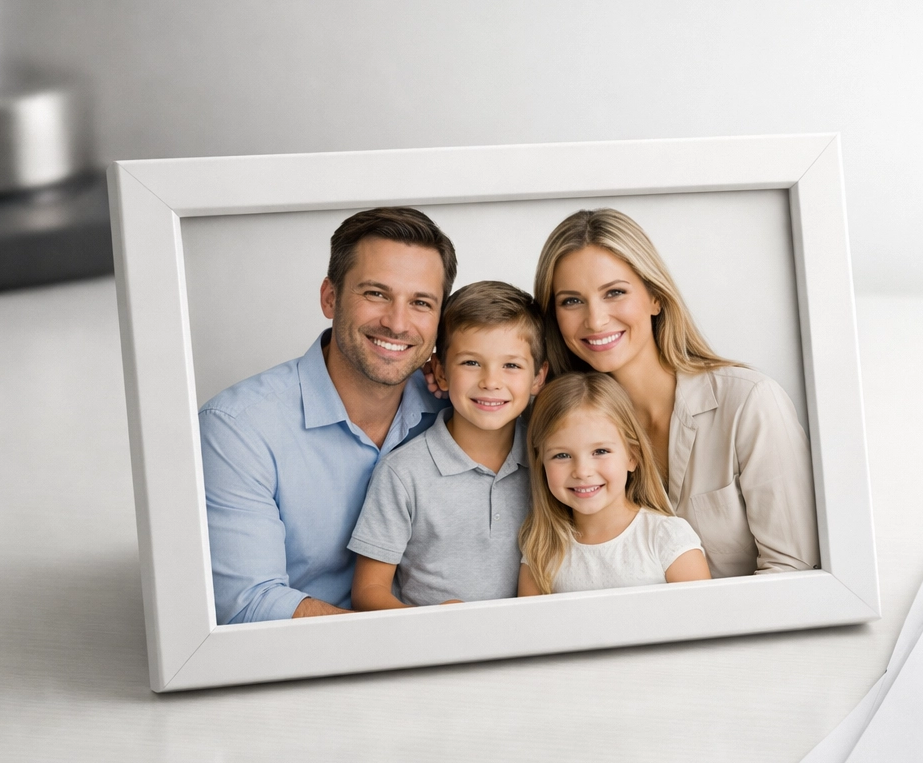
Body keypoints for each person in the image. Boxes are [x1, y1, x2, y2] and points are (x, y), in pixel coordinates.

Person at [199, 207, 455, 624]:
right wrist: (414, 642)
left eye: (421, 303)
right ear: (330, 298)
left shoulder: (456, 407)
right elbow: (249, 604)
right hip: (305, 669)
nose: (397, 322)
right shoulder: (236, 429)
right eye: (376, 293)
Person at [532, 208, 819, 578]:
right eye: (571, 300)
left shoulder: (749, 402)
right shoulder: (557, 426)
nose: (596, 319)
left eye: (615, 292)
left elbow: (792, 571)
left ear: (655, 297)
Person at [348, 281, 548, 608]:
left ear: (538, 378)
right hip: (435, 651)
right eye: (471, 362)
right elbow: (368, 590)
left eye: (511, 365)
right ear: (440, 373)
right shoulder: (403, 474)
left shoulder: (549, 460)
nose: (491, 382)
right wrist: (433, 628)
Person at [518, 372, 710, 595]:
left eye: (600, 451)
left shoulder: (667, 538)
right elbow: (531, 629)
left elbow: (703, 621)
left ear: (632, 457)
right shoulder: (540, 552)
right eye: (561, 455)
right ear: (541, 463)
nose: (582, 471)